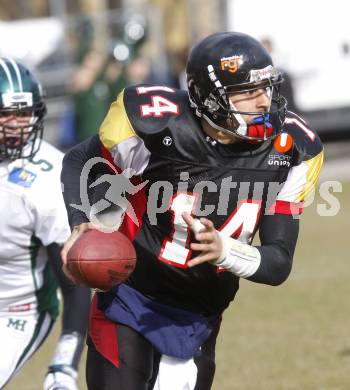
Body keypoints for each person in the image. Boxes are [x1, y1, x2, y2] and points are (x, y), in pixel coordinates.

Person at [60, 32, 324, 390]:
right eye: (247, 91)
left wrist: (225, 251)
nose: (264, 102)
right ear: (209, 98)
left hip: (201, 316)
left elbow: (278, 264)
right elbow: (81, 159)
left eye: (267, 88)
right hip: (131, 298)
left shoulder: (293, 147)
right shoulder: (159, 124)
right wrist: (80, 223)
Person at [0, 58, 91, 389]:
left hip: (15, 311)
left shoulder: (46, 177)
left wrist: (64, 362)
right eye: (5, 113)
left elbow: (75, 281)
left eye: (23, 114)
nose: (15, 124)